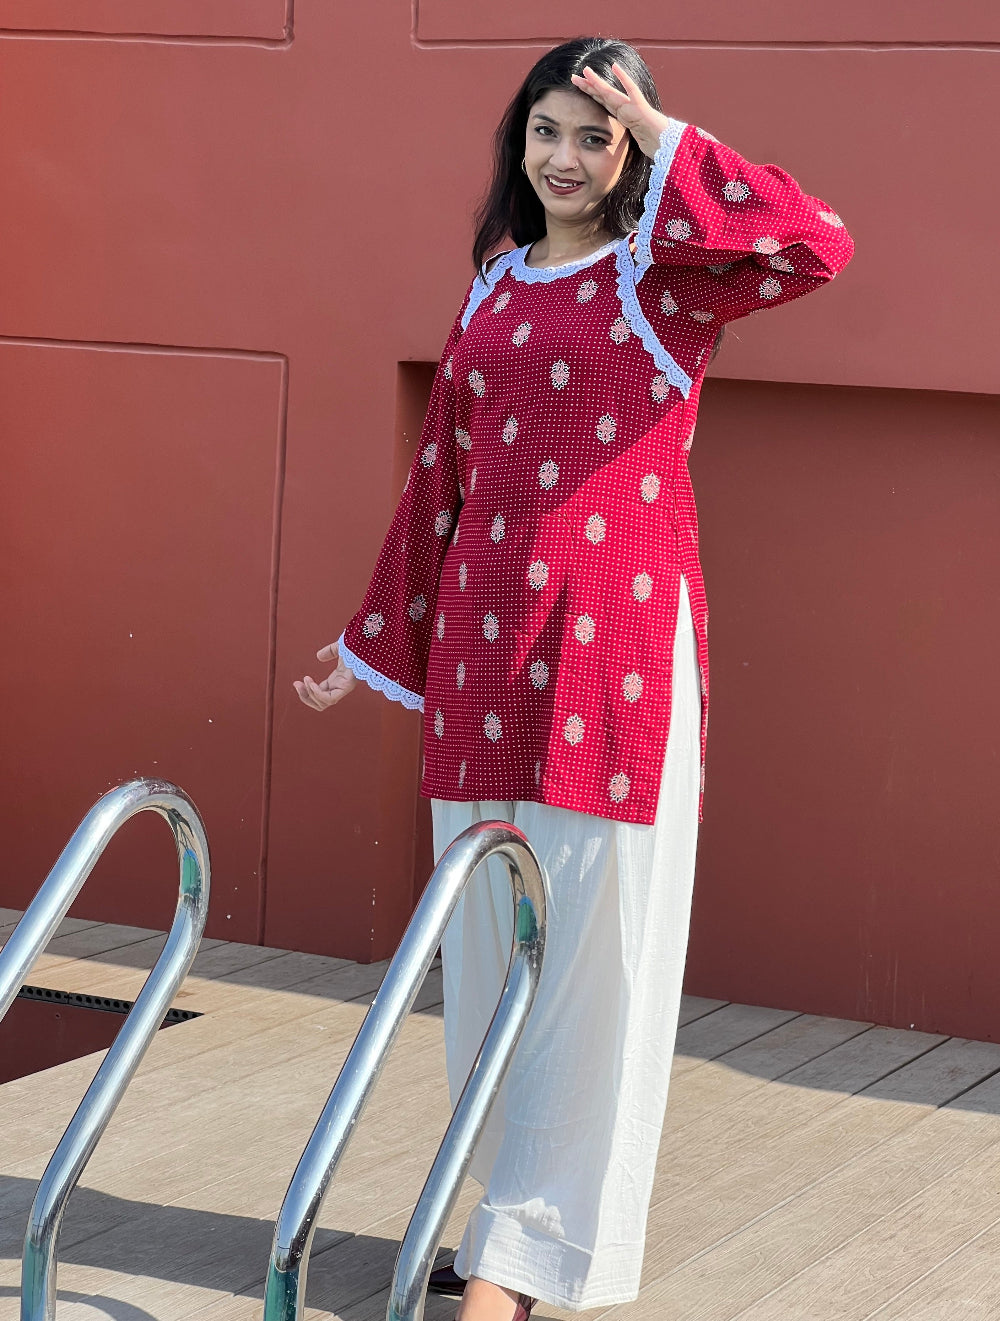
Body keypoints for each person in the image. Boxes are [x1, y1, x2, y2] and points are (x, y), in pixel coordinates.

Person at [294, 36, 853, 1321]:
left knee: (594, 970)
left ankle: (524, 1263)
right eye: (545, 130)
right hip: (489, 658)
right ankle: (494, 1212)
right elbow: (442, 474)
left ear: (629, 147)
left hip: (614, 658)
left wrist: (663, 131)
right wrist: (377, 638)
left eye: (593, 135)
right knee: (488, 950)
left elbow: (813, 242)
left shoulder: (670, 286)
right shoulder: (492, 289)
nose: (563, 157)